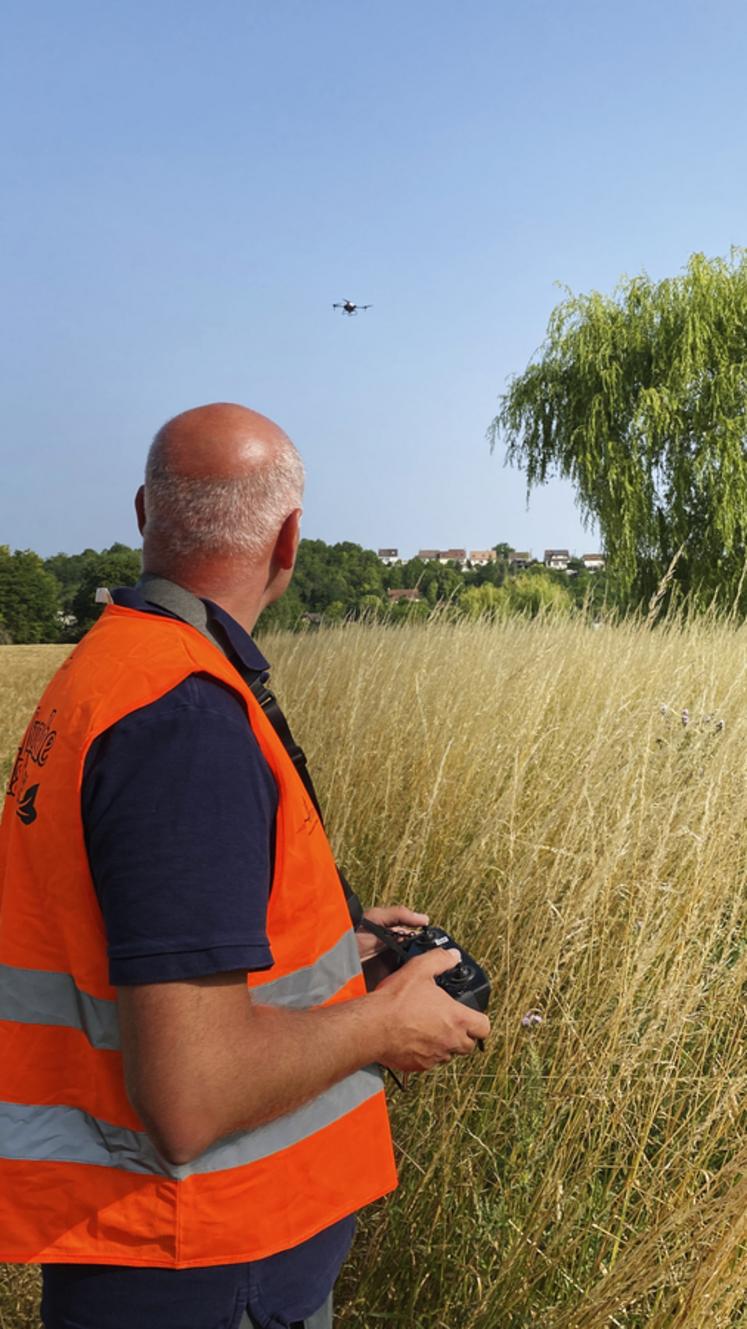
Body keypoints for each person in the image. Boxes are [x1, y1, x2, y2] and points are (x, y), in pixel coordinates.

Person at [0, 403, 490, 1329]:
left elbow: (144, 934)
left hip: (160, 1254)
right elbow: (192, 1093)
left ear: (145, 513)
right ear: (291, 540)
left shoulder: (113, 670)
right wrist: (381, 1022)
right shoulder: (184, 722)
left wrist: (336, 947)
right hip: (204, 1259)